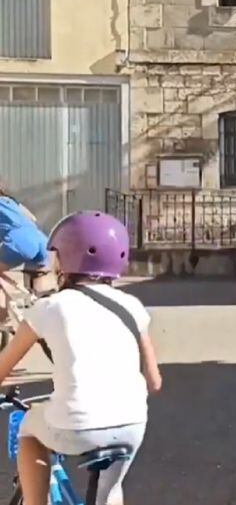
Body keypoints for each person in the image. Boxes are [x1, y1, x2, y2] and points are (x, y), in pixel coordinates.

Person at [0, 211, 162, 505]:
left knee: (29, 430)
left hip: (75, 423)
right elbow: (154, 381)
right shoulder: (132, 305)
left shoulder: (49, 307)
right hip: (131, 425)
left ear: (66, 258)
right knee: (110, 491)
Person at [0, 186, 49, 320]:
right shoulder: (12, 202)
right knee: (39, 293)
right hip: (41, 241)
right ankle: (39, 313)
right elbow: (33, 219)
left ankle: (4, 316)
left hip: (19, 241)